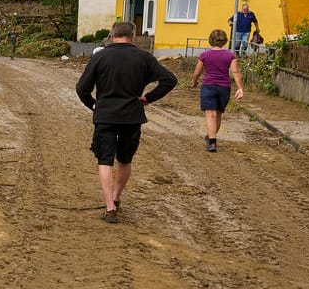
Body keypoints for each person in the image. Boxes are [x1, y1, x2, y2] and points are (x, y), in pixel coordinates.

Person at [75, 21, 178, 223]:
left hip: (105, 116)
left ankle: (110, 207)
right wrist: (148, 98)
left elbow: (82, 88)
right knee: (125, 159)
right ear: (133, 37)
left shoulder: (100, 57)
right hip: (132, 116)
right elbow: (170, 80)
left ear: (112, 36)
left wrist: (94, 105)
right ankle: (116, 196)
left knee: (105, 160)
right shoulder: (143, 58)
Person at [189, 29, 244, 152]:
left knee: (210, 114)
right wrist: (240, 88)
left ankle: (212, 142)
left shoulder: (204, 55)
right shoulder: (230, 55)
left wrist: (194, 81)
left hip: (208, 86)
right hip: (224, 88)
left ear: (210, 40)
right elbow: (235, 71)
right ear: (224, 41)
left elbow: (197, 72)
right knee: (218, 113)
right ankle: (211, 137)